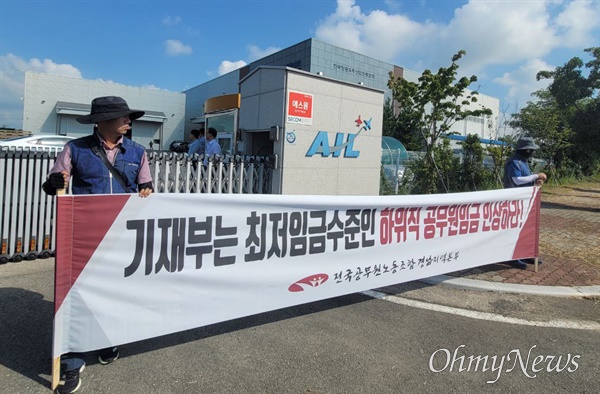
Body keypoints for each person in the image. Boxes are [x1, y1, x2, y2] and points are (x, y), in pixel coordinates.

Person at [42, 96, 154, 393]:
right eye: (123, 117)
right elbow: (53, 183)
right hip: (84, 237)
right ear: (102, 122)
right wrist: (55, 182)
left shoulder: (138, 152)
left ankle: (107, 341)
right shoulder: (75, 149)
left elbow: (146, 187)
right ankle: (72, 361)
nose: (129, 121)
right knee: (78, 295)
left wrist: (147, 190)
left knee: (114, 291)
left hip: (121, 236)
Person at [503, 136, 547, 269]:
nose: (533, 153)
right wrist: (535, 176)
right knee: (514, 230)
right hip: (514, 202)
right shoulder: (514, 162)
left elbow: (525, 180)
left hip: (525, 201)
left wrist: (535, 182)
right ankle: (512, 257)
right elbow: (516, 180)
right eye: (532, 150)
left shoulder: (523, 162)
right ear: (526, 150)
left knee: (525, 229)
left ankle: (525, 253)